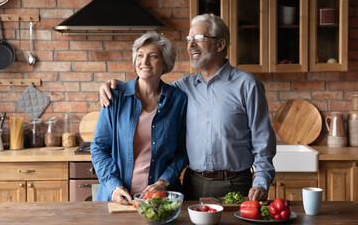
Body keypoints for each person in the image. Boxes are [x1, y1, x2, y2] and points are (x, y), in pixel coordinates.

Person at [99, 14, 276, 201]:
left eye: (198, 38)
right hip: (193, 183)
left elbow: (262, 139)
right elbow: (149, 84)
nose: (191, 44)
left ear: (220, 44)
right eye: (189, 39)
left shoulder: (247, 85)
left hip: (235, 183)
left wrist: (261, 181)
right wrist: (116, 86)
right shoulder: (183, 87)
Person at [91, 31, 188, 204]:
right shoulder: (115, 96)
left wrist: (163, 182)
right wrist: (114, 186)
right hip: (117, 199)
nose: (144, 62)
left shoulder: (178, 100)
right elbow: (99, 147)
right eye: (140, 56)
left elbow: (182, 152)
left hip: (161, 201)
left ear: (165, 64)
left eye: (153, 57)